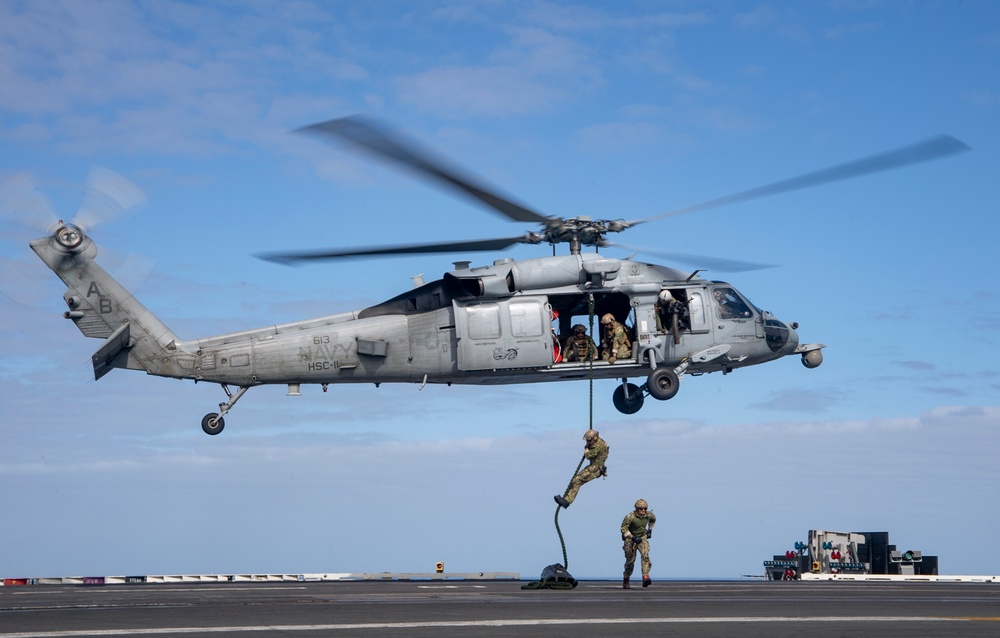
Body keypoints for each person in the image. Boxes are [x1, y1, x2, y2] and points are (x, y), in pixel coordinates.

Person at [554, 429, 609, 508]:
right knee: (576, 480)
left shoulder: (597, 446)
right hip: (594, 467)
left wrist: (586, 449)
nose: (587, 442)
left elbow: (588, 456)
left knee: (577, 480)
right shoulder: (599, 442)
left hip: (596, 469)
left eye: (589, 441)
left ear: (595, 438)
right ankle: (566, 499)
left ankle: (567, 501)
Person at [621, 498, 656, 589]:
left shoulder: (649, 515)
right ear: (637, 509)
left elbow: (653, 520)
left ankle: (645, 577)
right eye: (641, 509)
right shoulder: (630, 516)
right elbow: (623, 528)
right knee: (630, 560)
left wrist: (650, 530)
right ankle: (626, 579)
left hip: (642, 537)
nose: (643, 510)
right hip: (630, 539)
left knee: (645, 555)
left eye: (645, 508)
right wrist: (632, 537)